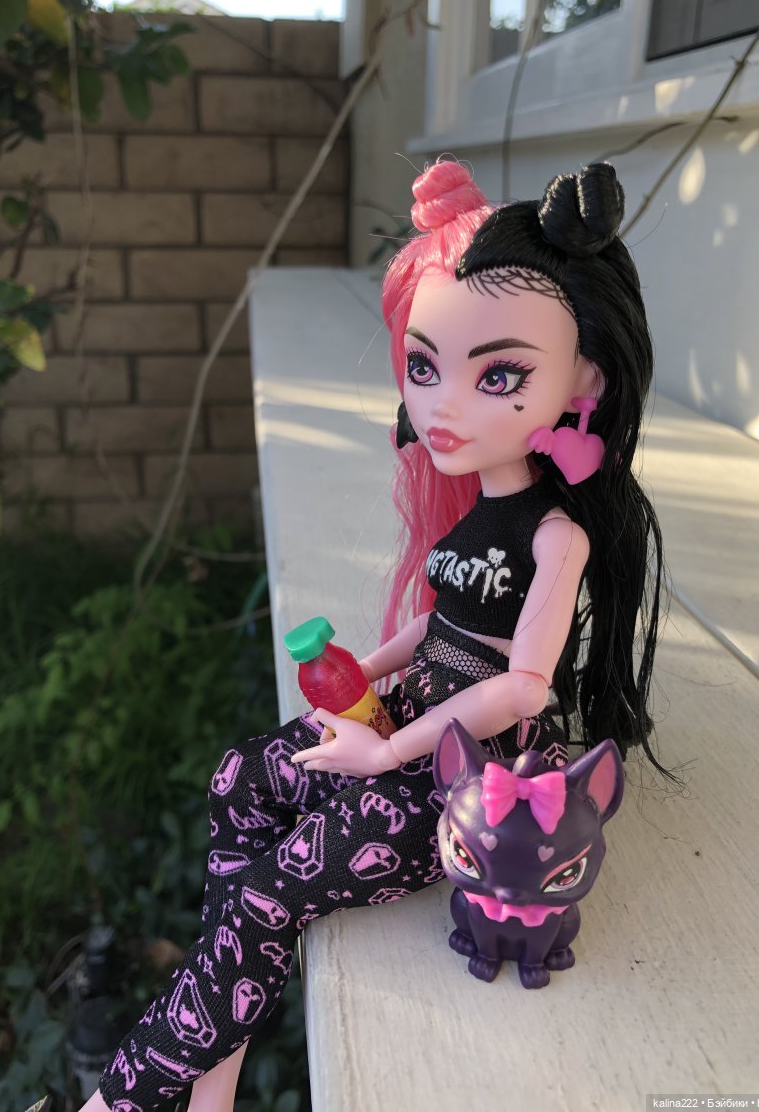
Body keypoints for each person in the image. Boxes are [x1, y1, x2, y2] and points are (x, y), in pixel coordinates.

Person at [81, 158, 664, 1112]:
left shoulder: (557, 535)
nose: (442, 405)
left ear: (583, 380)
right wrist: (371, 666)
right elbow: (443, 618)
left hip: (464, 774)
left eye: (500, 375)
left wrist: (386, 751)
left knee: (268, 893)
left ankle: (125, 1095)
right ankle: (214, 1079)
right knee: (238, 778)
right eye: (425, 367)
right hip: (402, 714)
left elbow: (524, 685)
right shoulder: (477, 511)